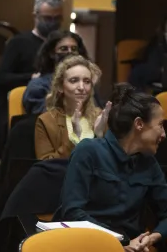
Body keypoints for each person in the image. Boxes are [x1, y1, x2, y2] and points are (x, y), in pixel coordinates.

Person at [59, 83, 167, 251]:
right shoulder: (88, 151)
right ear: (139, 124)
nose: (163, 134)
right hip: (88, 245)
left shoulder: (149, 162)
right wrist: (119, 241)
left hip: (133, 246)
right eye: (160, 125)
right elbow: (72, 212)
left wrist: (155, 236)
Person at [0, 0, 65, 160]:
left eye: (57, 18)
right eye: (48, 18)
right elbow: (1, 79)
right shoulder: (19, 42)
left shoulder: (63, 44)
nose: (53, 23)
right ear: (36, 16)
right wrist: (31, 78)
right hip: (28, 109)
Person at [34, 55, 109, 160]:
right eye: (74, 80)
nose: (82, 87)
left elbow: (112, 162)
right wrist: (73, 138)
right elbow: (46, 166)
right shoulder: (46, 121)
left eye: (87, 81)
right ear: (60, 86)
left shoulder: (99, 116)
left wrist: (99, 137)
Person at [23, 30, 89, 114]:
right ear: (51, 53)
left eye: (74, 49)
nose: (70, 52)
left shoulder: (87, 83)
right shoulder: (38, 85)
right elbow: (41, 117)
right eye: (64, 49)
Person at [128, 17, 167, 91]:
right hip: (156, 69)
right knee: (137, 72)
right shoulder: (157, 40)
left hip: (161, 70)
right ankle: (138, 99)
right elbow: (149, 57)